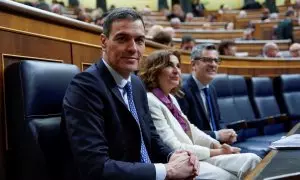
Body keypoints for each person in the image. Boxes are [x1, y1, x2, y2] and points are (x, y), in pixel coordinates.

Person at [62, 8, 199, 180]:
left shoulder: (136, 84)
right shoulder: (85, 87)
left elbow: (151, 137)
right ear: (104, 42)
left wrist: (174, 156)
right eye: (122, 38)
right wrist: (167, 171)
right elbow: (96, 167)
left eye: (139, 40)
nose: (133, 48)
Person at [139, 50, 261, 180]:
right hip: (182, 161)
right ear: (155, 70)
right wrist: (217, 152)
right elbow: (174, 147)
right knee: (228, 177)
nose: (176, 71)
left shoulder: (171, 98)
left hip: (199, 154)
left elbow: (192, 130)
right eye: (169, 65)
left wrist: (216, 145)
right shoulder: (151, 100)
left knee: (252, 160)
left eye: (178, 66)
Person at [176, 44, 238, 144]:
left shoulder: (211, 88)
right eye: (207, 60)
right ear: (193, 65)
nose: (213, 64)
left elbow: (218, 120)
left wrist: (228, 133)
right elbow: (185, 131)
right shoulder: (182, 91)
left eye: (216, 60)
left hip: (218, 146)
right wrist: (217, 135)